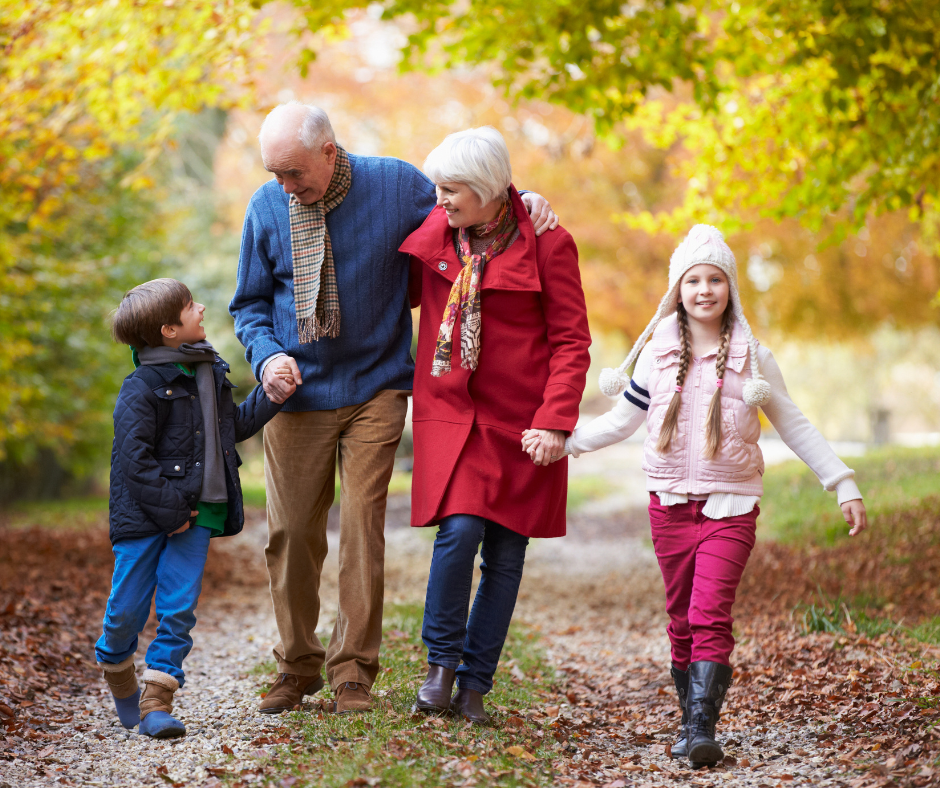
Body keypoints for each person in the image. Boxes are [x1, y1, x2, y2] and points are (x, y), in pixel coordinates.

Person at [229, 103, 558, 715]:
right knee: (292, 533)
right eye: (275, 173)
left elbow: (472, 208)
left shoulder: (397, 185)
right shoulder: (266, 208)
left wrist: (523, 197)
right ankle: (297, 665)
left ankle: (353, 672)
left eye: (294, 173)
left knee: (360, 525)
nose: (285, 186)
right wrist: (267, 354)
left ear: (329, 151)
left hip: (377, 385)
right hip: (294, 392)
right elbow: (248, 303)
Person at [559, 225, 868, 766]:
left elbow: (794, 425)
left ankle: (703, 727)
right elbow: (620, 421)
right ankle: (689, 720)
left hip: (731, 506)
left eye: (716, 279)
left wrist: (842, 481)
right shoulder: (657, 353)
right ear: (677, 288)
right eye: (694, 279)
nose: (705, 289)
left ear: (731, 288)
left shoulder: (754, 357)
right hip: (669, 505)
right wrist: (565, 442)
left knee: (709, 613)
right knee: (680, 617)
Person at [401, 127, 591, 724]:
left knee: (507, 553)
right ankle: (440, 667)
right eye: (438, 187)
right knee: (458, 534)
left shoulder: (550, 244)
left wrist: (556, 421)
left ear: (486, 191)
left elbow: (570, 341)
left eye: (453, 189)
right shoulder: (437, 230)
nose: (441, 199)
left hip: (523, 422)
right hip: (453, 416)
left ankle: (475, 686)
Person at [97, 278, 288, 738]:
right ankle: (119, 670)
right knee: (126, 609)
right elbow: (134, 459)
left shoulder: (209, 373)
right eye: (189, 306)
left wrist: (272, 395)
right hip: (146, 515)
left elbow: (229, 429)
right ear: (168, 330)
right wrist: (172, 510)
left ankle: (157, 698)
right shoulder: (141, 386)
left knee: (178, 607)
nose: (201, 307)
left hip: (200, 512)